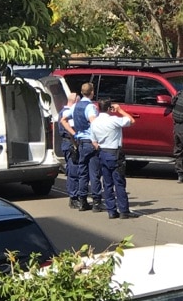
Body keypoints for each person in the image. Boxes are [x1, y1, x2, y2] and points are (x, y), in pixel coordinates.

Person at [90, 99, 138, 219]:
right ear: (108, 108)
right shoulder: (113, 120)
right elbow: (132, 120)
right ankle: (123, 210)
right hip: (115, 153)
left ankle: (111, 210)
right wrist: (120, 110)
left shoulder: (94, 122)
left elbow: (94, 142)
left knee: (107, 183)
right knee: (119, 183)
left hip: (103, 153)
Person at [74, 82, 102, 212]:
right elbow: (94, 123)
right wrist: (96, 141)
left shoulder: (76, 105)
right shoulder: (90, 107)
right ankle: (96, 202)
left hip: (81, 142)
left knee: (82, 173)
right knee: (94, 173)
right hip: (90, 141)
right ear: (91, 92)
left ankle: (82, 201)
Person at [59, 92, 81, 209]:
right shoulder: (68, 114)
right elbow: (71, 130)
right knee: (73, 171)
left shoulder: (64, 112)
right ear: (75, 102)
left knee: (74, 170)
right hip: (71, 144)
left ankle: (75, 195)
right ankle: (73, 197)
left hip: (68, 143)